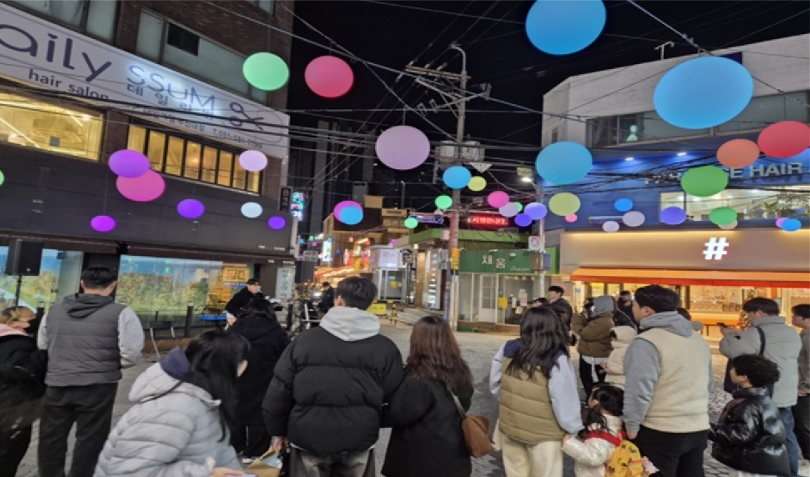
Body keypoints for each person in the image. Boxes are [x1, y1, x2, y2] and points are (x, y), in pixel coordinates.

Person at [263, 276, 404, 477]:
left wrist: (277, 431)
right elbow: (392, 393)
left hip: (307, 436)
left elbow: (279, 390)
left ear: (338, 300)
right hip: (359, 435)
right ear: (370, 304)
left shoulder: (304, 341)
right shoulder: (385, 348)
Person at [37, 266, 145, 477]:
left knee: (51, 436)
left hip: (57, 382)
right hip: (99, 385)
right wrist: (107, 365)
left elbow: (43, 345)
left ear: (82, 284)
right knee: (91, 437)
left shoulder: (54, 310)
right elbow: (131, 353)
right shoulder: (122, 313)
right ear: (113, 285)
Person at [94, 331, 247, 477]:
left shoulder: (207, 398)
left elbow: (220, 453)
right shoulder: (173, 409)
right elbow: (130, 472)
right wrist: (205, 474)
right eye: (243, 362)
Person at [624, 285, 713, 477]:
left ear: (647, 310)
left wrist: (631, 425)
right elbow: (709, 384)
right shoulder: (698, 340)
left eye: (635, 305)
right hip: (697, 426)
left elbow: (639, 390)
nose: (633, 309)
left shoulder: (647, 342)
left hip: (660, 429)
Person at [490, 306, 583, 477]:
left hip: (512, 426)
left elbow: (495, 385)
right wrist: (572, 428)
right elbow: (563, 398)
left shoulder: (508, 348)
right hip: (545, 434)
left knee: (515, 472)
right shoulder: (557, 357)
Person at [382, 315, 475, 477]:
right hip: (454, 456)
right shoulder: (460, 370)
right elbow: (465, 402)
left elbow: (399, 414)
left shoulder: (418, 379)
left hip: (419, 461)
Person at [719, 297, 802, 477]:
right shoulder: (791, 332)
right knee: (787, 436)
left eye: (749, 314)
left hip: (764, 394)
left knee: (757, 438)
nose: (749, 317)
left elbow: (733, 351)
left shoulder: (757, 331)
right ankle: (791, 472)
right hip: (785, 393)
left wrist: (729, 335)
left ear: (760, 313)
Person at [227, 298, 290, 460]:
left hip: (237, 379)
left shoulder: (234, 329)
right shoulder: (275, 331)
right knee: (260, 416)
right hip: (266, 379)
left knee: (235, 413)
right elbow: (286, 357)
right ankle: (255, 452)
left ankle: (235, 447)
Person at [709, 354, 790, 477]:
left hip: (752, 464)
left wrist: (706, 427)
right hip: (762, 461)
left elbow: (740, 434)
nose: (730, 371)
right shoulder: (763, 399)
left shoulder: (749, 405)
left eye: (733, 369)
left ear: (744, 377)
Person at [0, 306, 47, 477]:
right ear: (15, 322)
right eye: (31, 317)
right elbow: (23, 371)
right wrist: (43, 355)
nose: (35, 321)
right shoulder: (18, 342)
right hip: (11, 408)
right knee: (8, 455)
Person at [562, 384, 625, 477]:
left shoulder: (600, 432)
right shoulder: (618, 427)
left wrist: (568, 443)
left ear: (595, 402)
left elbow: (595, 457)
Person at [572, 296, 615, 397]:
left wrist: (576, 319)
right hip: (591, 356)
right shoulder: (599, 319)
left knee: (593, 382)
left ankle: (595, 403)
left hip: (595, 358)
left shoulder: (603, 321)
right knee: (588, 380)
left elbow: (585, 334)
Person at [791, 304, 810, 466]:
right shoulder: (804, 334)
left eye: (795, 315)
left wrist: (805, 386)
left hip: (806, 390)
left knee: (804, 427)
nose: (792, 318)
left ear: (805, 318)